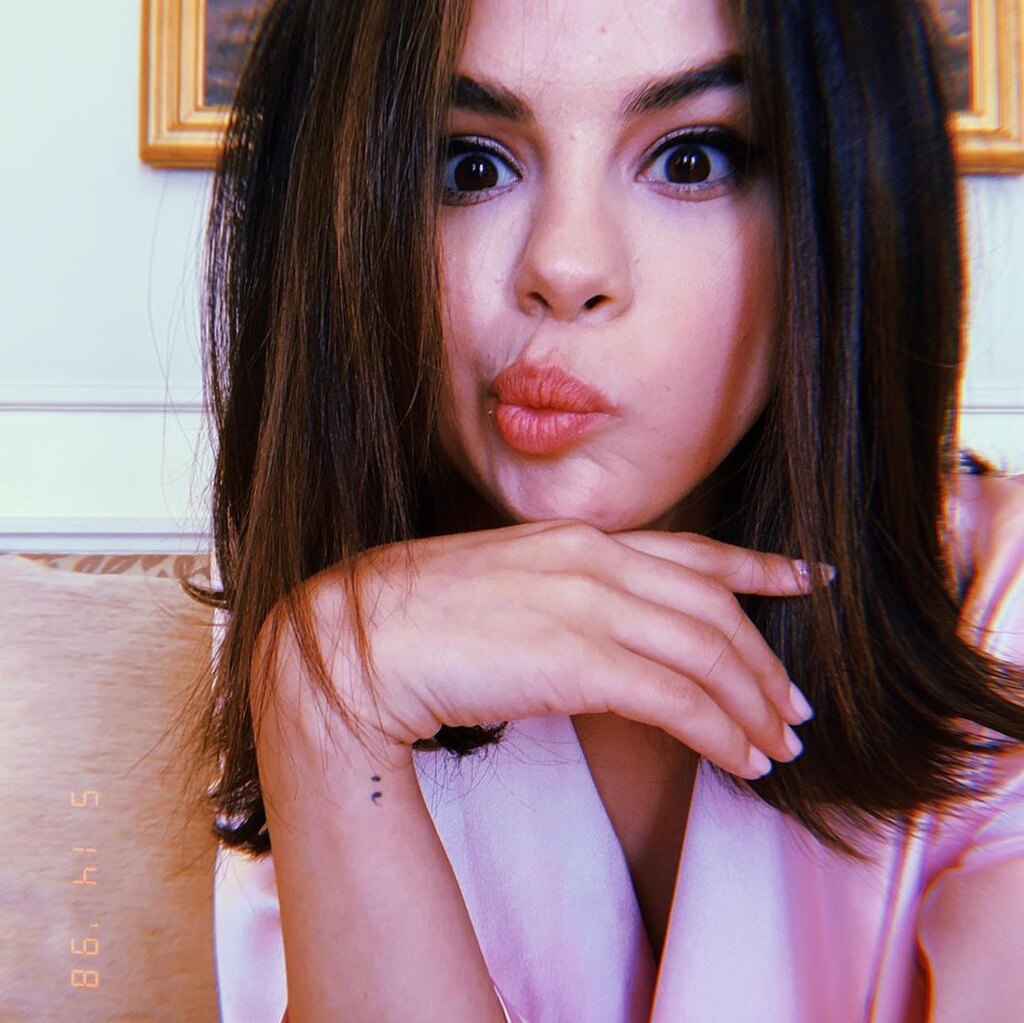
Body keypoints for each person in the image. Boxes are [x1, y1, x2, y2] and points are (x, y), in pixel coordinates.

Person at [192, 0, 1024, 1019]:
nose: (564, 267)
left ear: (848, 197)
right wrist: (326, 704)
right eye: (468, 166)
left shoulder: (1003, 615)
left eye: (692, 159)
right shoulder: (337, 638)